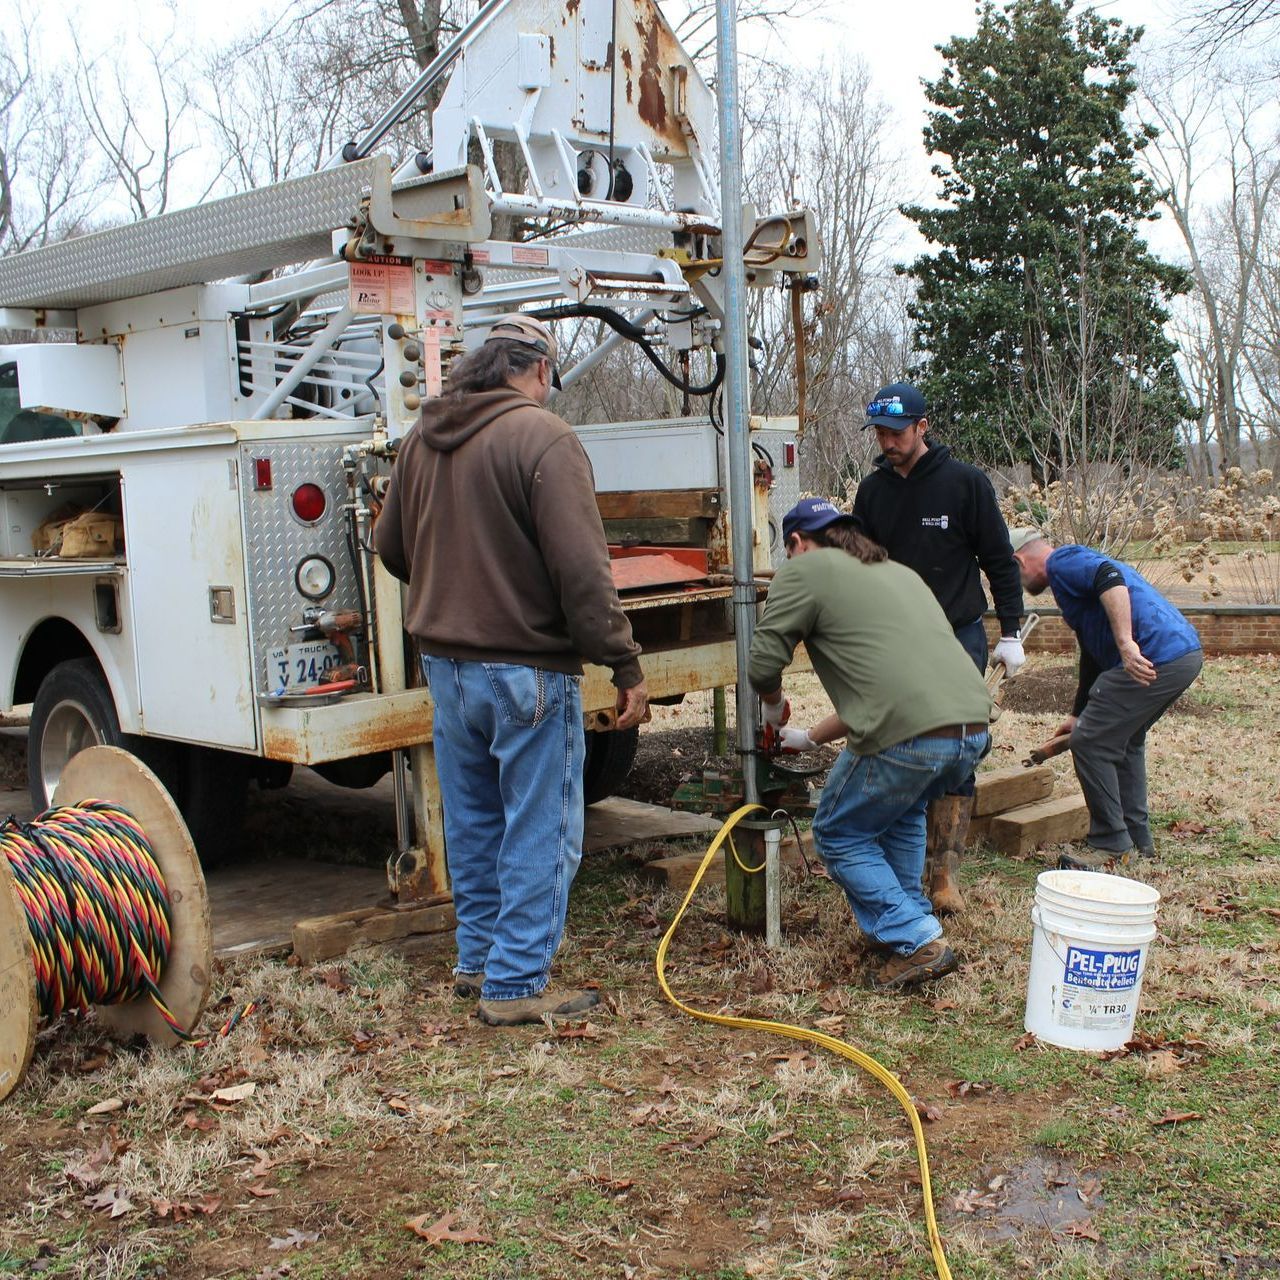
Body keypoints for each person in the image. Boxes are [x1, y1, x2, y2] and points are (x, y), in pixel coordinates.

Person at [375, 314, 648, 1026]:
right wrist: (623, 661)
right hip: (524, 668)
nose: (550, 393)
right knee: (541, 824)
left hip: (447, 665)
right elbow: (582, 570)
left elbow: (392, 548)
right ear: (533, 369)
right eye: (549, 379)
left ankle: (478, 962)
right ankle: (517, 983)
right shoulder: (542, 438)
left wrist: (455, 586)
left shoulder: (421, 439)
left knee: (474, 820)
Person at [749, 498, 993, 991]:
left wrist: (773, 711)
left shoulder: (805, 569)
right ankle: (906, 931)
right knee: (900, 812)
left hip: (910, 736)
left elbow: (761, 664)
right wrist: (809, 737)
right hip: (970, 729)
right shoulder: (899, 574)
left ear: (796, 543)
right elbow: (896, 687)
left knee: (838, 833)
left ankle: (918, 937)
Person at [851, 382, 1026, 915]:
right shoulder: (873, 492)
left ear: (922, 427)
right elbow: (861, 566)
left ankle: (944, 875)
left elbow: (999, 559)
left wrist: (1012, 631)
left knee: (957, 748)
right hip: (895, 638)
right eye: (879, 433)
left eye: (896, 432)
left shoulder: (965, 484)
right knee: (897, 740)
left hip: (956, 636)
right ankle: (898, 860)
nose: (887, 442)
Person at [1008, 529, 1203, 870]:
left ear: (1019, 560)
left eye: (1014, 573)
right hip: (1181, 656)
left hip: (1153, 656)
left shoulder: (1063, 562)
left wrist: (1126, 643)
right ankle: (1137, 841)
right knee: (1123, 742)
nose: (1019, 582)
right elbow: (1093, 652)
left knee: (1091, 743)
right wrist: (1078, 713)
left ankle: (1111, 843)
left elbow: (1109, 577)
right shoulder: (1069, 579)